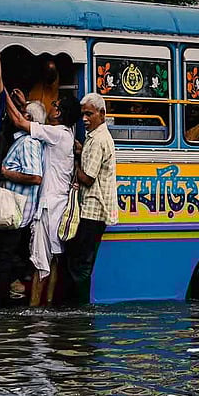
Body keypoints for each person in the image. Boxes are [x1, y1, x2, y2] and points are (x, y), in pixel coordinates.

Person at [0, 63, 80, 307]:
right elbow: (32, 121)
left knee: (40, 263)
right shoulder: (63, 135)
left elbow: (22, 123)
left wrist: (2, 92)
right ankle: (48, 305)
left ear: (60, 113)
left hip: (49, 206)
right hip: (57, 203)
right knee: (52, 260)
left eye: (55, 106)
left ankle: (35, 312)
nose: (52, 108)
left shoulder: (58, 134)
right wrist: (24, 107)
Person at [0, 100, 45, 306]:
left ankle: (2, 303)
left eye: (23, 113)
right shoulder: (22, 140)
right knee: (4, 257)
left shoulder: (28, 143)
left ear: (29, 119)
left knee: (4, 258)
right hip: (14, 211)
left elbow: (35, 176)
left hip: (17, 212)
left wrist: (5, 173)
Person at [66, 93, 118, 305]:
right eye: (83, 115)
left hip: (92, 210)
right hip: (94, 210)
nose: (84, 119)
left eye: (89, 114)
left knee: (80, 266)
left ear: (102, 113)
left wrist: (72, 162)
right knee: (81, 263)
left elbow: (87, 178)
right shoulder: (96, 138)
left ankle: (80, 309)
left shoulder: (97, 140)